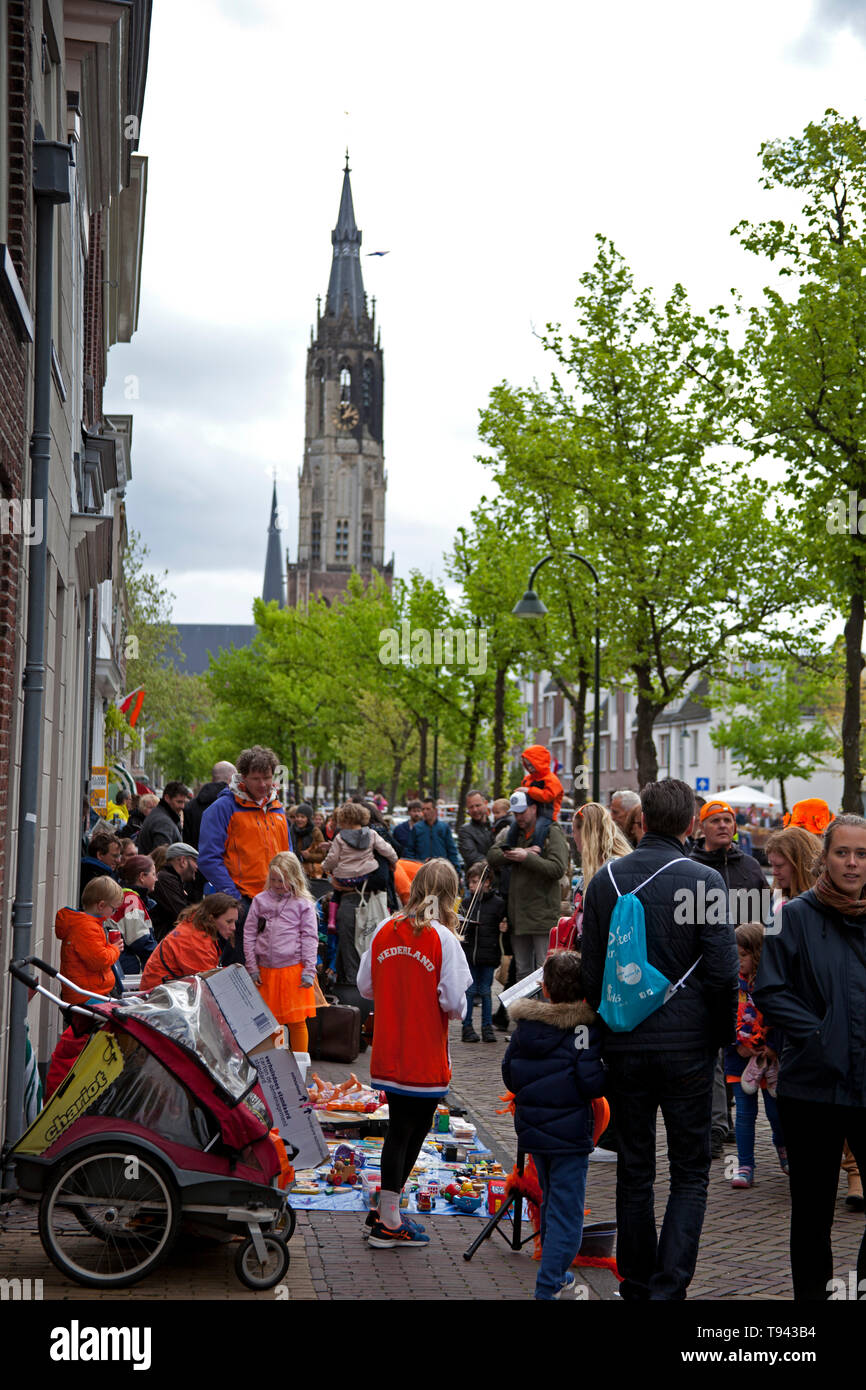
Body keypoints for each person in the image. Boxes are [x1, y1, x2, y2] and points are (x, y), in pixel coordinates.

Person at [580, 778, 738, 1301]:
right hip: (690, 1048)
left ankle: (638, 1282)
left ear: (641, 821)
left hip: (625, 1043)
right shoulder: (706, 882)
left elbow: (592, 970)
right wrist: (716, 1039)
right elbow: (722, 974)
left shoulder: (604, 881)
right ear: (691, 824)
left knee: (636, 1167)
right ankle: (669, 1289)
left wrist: (603, 1033)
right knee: (691, 1171)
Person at [754, 814, 866, 1301]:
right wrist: (820, 1035)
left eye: (862, 854)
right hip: (812, 1087)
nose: (853, 863)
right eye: (843, 852)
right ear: (825, 857)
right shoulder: (793, 916)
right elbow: (770, 990)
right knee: (812, 1215)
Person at [357, 859, 472, 1248]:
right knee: (407, 1132)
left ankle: (388, 1210)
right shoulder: (443, 938)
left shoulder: (384, 928)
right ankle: (389, 1219)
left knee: (400, 1130)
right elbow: (456, 1004)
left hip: (389, 1050)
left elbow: (365, 986)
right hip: (423, 1054)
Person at [502, 948, 605, 1299]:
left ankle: (555, 1276)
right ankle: (549, 1284)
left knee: (550, 1204)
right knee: (568, 1213)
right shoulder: (583, 1029)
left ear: (544, 988)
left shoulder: (527, 1027)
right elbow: (591, 1082)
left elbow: (509, 1074)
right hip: (571, 1134)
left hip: (533, 1131)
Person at [198, 746, 292, 965]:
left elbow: (289, 856)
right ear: (242, 778)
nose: (262, 784)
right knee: (241, 970)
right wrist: (234, 898)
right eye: (256, 778)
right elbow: (209, 858)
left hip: (278, 901)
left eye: (267, 778)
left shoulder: (278, 809)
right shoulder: (223, 808)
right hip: (244, 902)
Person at [726, 922, 786, 1189]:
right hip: (740, 1059)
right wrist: (735, 1044)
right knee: (744, 1114)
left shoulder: (771, 985)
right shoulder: (729, 985)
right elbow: (723, 1017)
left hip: (768, 1058)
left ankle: (783, 1148)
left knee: (776, 1112)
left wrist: (773, 1046)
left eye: (744, 955)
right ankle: (744, 1165)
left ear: (758, 953)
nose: (739, 961)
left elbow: (781, 1017)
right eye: (735, 954)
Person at [486, 790, 570, 981]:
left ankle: (543, 1010)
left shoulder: (552, 832)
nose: (518, 818)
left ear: (534, 808)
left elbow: (557, 868)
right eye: (515, 814)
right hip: (519, 916)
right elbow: (492, 855)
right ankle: (524, 1011)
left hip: (542, 916)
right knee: (522, 973)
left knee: (544, 972)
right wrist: (520, 852)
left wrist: (526, 859)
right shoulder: (514, 832)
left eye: (522, 812)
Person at [245, 852, 319, 1052]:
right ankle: (276, 1065)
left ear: (294, 878)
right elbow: (249, 933)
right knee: (270, 1023)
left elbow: (310, 937)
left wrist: (309, 970)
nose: (278, 884)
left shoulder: (303, 904)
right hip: (265, 971)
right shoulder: (260, 900)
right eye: (274, 879)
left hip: (293, 970)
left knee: (296, 1022)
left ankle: (300, 1065)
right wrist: (252, 967)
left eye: (283, 880)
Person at [690, 799, 768, 923]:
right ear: (701, 827)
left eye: (727, 820)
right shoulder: (690, 867)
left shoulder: (751, 866)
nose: (722, 825)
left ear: (734, 827)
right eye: (715, 820)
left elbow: (766, 916)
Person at [139, 893, 240, 990]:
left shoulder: (196, 928)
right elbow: (208, 985)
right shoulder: (194, 940)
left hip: (167, 991)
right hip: (158, 996)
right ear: (211, 919)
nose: (233, 927)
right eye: (229, 922)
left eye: (234, 922)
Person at [55, 876, 124, 1003]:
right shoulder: (87, 928)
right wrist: (115, 948)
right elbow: (99, 960)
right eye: (114, 909)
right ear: (101, 905)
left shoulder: (89, 924)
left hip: (89, 991)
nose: (114, 913)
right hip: (86, 995)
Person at [459, 861, 506, 1044]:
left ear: (487, 882)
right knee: (469, 991)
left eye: (475, 881)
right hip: (470, 954)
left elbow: (502, 927)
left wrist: (503, 927)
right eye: (470, 882)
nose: (471, 886)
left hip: (488, 955)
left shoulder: (497, 904)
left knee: (486, 991)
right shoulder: (465, 903)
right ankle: (467, 1027)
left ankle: (487, 1028)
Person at [322, 801, 397, 889]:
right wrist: (393, 860)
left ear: (342, 820)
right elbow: (386, 849)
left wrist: (325, 867)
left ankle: (335, 901)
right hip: (366, 874)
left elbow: (333, 858)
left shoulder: (340, 837)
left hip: (344, 877)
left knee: (336, 889)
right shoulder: (370, 833)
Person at [111, 854, 158, 976]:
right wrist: (163, 956)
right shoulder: (130, 899)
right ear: (142, 877)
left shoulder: (128, 897)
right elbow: (139, 940)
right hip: (128, 969)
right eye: (153, 874)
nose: (156, 879)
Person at [182, 760, 237, 850]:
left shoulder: (191, 806)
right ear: (231, 779)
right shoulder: (234, 803)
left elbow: (187, 842)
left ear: (212, 778)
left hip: (197, 859)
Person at [150, 842, 200, 941]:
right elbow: (182, 913)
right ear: (182, 861)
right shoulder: (165, 880)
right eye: (195, 861)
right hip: (163, 941)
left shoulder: (172, 880)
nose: (197, 867)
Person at [765, 826, 821, 902]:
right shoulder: (775, 899)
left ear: (800, 865)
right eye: (772, 865)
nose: (774, 872)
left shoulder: (826, 901)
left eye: (779, 866)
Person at [136, 781, 192, 856]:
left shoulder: (159, 815)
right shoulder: (163, 822)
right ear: (167, 798)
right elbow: (162, 858)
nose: (182, 806)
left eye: (183, 802)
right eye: (179, 802)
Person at [407, 798, 461, 870]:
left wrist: (456, 869)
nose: (425, 812)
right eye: (423, 809)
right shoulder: (417, 828)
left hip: (441, 870)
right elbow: (410, 850)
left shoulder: (444, 828)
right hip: (422, 870)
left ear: (435, 810)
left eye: (428, 809)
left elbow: (451, 850)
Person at [520, 745, 564, 824]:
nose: (529, 768)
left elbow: (547, 796)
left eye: (531, 765)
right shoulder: (527, 778)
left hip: (547, 815)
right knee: (513, 829)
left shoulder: (551, 779)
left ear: (539, 763)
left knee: (538, 831)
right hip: (531, 815)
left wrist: (529, 790)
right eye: (527, 765)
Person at [457, 791, 493, 869]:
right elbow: (472, 858)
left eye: (478, 805)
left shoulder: (495, 826)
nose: (475, 810)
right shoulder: (465, 831)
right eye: (471, 807)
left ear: (485, 803)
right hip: (477, 878)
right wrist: (496, 864)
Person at [293, 803, 329, 879]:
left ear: (308, 819)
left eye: (302, 817)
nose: (299, 819)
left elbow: (322, 855)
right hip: (293, 871)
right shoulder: (290, 830)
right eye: (297, 816)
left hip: (309, 874)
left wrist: (309, 856)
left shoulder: (315, 832)